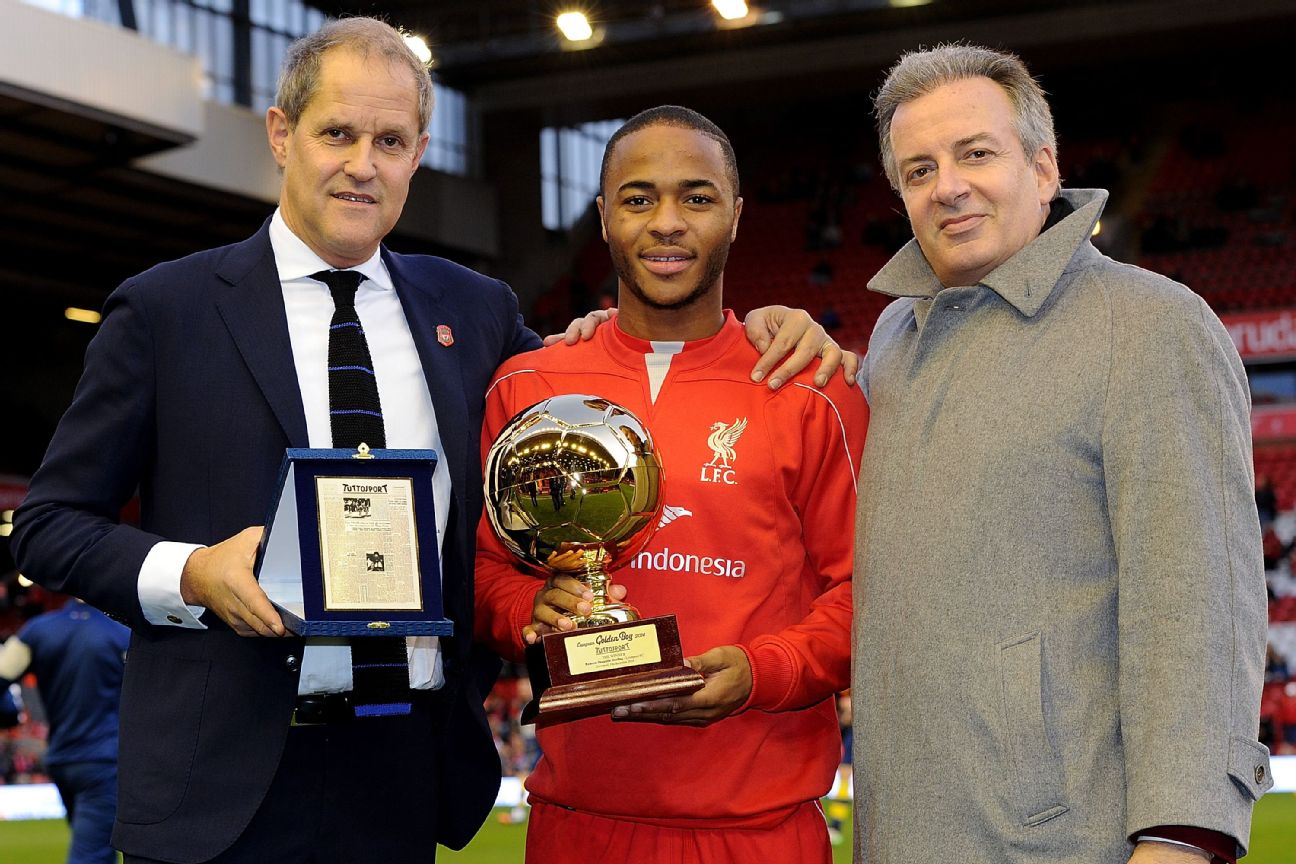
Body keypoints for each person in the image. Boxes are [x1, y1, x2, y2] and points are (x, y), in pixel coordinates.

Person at [11, 19, 850, 863]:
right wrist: (190, 573)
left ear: (417, 154)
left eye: (390, 139)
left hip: (401, 776)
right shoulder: (166, 311)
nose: (361, 163)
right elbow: (50, 524)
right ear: (280, 134)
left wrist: (774, 323)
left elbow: (620, 365)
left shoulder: (474, 313)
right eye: (336, 132)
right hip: (221, 785)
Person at [851, 44, 1270, 864]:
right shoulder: (892, 341)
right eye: (919, 169)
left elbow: (1199, 608)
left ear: (1044, 168)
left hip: (1068, 844)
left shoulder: (1150, 325)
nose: (949, 185)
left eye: (976, 153)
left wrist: (1181, 839)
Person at [474, 105, 867, 864]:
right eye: (638, 197)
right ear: (603, 216)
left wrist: (762, 672)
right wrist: (534, 605)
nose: (666, 223)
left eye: (697, 196)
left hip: (758, 830)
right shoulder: (529, 387)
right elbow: (488, 570)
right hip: (576, 825)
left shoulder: (809, 387)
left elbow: (866, 597)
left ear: (737, 214)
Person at [0, 599, 130, 864]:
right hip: (105, 760)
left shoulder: (37, 631)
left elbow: (2, 676)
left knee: (96, 846)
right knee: (93, 854)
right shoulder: (122, 633)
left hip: (61, 760)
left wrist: (8, 714)